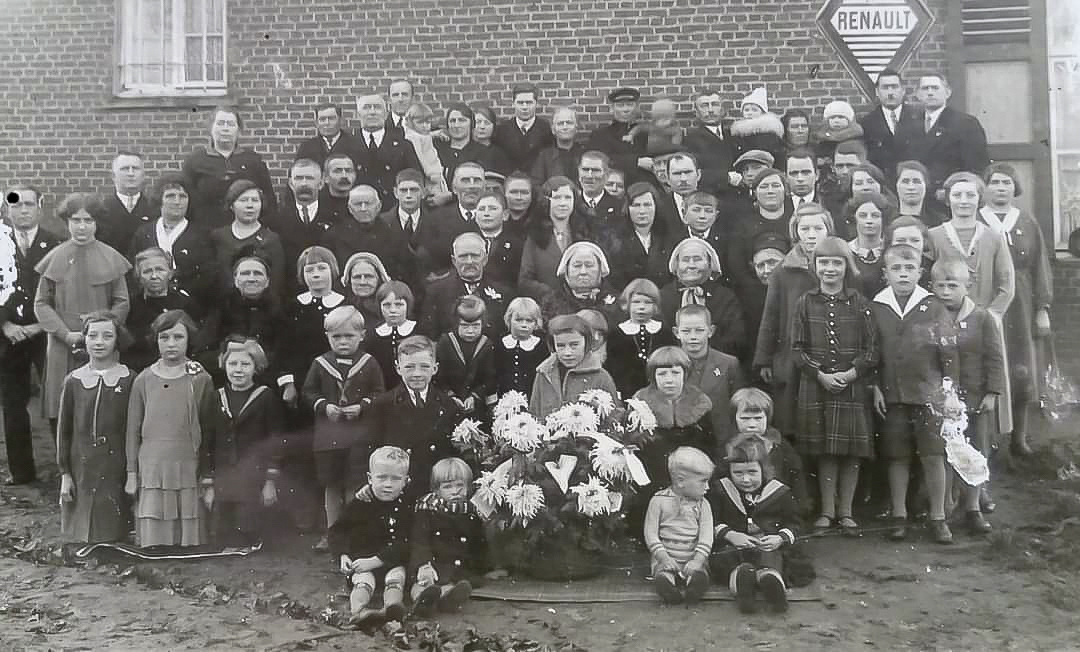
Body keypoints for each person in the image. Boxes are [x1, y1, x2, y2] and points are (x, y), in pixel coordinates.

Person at [870, 244, 958, 543]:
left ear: (920, 273)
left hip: (928, 396)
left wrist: (948, 390)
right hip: (892, 395)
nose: (903, 274)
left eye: (909, 268)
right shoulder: (878, 306)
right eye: (896, 269)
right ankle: (899, 515)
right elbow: (871, 351)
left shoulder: (933, 306)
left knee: (933, 455)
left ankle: (938, 517)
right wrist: (875, 386)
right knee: (897, 456)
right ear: (886, 274)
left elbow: (948, 351)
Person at [792, 237, 878, 537]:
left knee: (851, 451)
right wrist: (820, 375)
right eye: (824, 262)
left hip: (852, 386)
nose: (830, 268)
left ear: (847, 266)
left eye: (836, 263)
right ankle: (827, 511)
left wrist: (853, 373)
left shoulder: (860, 303)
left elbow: (872, 348)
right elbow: (796, 349)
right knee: (825, 451)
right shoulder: (805, 302)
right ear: (815, 266)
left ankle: (847, 512)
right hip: (817, 386)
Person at [928, 172, 1016, 446]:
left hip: (983, 324)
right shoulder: (934, 235)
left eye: (970, 195)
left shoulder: (993, 237)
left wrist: (990, 316)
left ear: (980, 199)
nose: (963, 201)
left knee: (983, 387)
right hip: (943, 324)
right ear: (948, 199)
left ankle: (987, 454)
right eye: (957, 195)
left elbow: (1007, 284)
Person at [125, 310, 220, 547]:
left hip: (187, 458)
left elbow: (208, 428)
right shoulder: (143, 379)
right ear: (155, 340)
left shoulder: (200, 378)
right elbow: (132, 429)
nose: (171, 344)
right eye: (164, 337)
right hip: (153, 461)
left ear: (189, 339)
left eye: (178, 337)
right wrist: (131, 473)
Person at [35, 193, 132, 426]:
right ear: (66, 222)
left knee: (102, 404)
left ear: (97, 223)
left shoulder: (111, 257)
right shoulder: (55, 257)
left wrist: (102, 332)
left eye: (88, 220)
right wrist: (65, 334)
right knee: (61, 406)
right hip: (63, 342)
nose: (81, 226)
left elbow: (122, 301)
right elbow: (41, 303)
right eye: (75, 220)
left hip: (102, 342)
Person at [979, 163, 1052, 457]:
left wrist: (1042, 307)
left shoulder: (1026, 221)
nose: (1000, 188)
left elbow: (1039, 265)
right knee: (986, 367)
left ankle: (1018, 439)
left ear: (1014, 188)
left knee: (1020, 369)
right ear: (985, 187)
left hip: (1021, 303)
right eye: (995, 182)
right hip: (985, 296)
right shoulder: (976, 219)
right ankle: (989, 440)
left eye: (1006, 183)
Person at [303, 306, 385, 550]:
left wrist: (363, 406)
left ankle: (353, 532)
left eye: (349, 336)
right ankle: (332, 533)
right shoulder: (320, 364)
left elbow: (379, 392)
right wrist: (323, 405)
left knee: (354, 484)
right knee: (331, 485)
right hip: (328, 437)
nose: (343, 341)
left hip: (359, 436)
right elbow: (308, 392)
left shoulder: (369, 363)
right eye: (336, 336)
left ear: (362, 335)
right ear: (327, 336)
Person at [931, 258, 1000, 534]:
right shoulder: (930, 317)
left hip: (975, 398)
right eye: (940, 286)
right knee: (946, 450)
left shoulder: (982, 318)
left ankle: (973, 507)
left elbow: (994, 357)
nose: (946, 292)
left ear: (966, 286)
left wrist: (992, 392)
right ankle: (947, 506)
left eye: (952, 285)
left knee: (976, 451)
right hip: (943, 402)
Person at [753, 204, 832, 437]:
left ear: (828, 230)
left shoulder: (839, 263)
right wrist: (764, 358)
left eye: (818, 228)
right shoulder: (784, 271)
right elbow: (771, 315)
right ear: (795, 231)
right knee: (795, 419)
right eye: (804, 229)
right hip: (793, 352)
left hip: (831, 353)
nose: (811, 234)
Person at [1, 185, 62, 484]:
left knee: (55, 400)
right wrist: (5, 325)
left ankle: (66, 468)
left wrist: (42, 325)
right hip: (8, 334)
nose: (22, 210)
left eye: (28, 204)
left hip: (46, 332)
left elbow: (62, 291)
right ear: (6, 209)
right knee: (13, 403)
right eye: (15, 205)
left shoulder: (56, 244)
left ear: (40, 206)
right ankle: (21, 471)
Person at [57, 312, 134, 542]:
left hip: (115, 464)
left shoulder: (129, 379)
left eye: (107, 336)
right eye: (93, 336)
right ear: (85, 339)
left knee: (113, 524)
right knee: (82, 526)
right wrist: (65, 474)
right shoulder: (73, 381)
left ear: (117, 340)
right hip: (81, 465)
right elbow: (64, 431)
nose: (99, 342)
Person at [711, 436, 800, 614]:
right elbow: (712, 520)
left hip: (768, 546)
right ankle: (742, 584)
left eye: (752, 472)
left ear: (764, 470)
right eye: (738, 473)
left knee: (774, 558)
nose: (745, 479)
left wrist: (780, 538)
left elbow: (795, 522)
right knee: (725, 557)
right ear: (729, 471)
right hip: (734, 545)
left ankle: (771, 580)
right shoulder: (721, 490)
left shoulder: (780, 492)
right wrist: (730, 534)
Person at [365, 335, 459, 497]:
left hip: (435, 488)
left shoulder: (448, 405)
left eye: (424, 366)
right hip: (397, 488)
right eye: (409, 367)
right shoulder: (382, 405)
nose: (417, 373)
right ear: (398, 368)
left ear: (435, 368)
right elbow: (368, 448)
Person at [329, 445, 412, 625]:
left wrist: (378, 560)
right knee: (363, 581)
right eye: (381, 477)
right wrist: (343, 555)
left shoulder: (406, 507)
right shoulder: (360, 504)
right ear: (369, 478)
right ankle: (358, 611)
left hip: (391, 560)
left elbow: (406, 542)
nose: (388, 484)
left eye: (395, 479)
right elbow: (338, 530)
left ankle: (392, 608)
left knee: (397, 577)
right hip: (362, 561)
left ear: (405, 481)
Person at [211, 338, 282, 546]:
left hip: (253, 473)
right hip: (225, 472)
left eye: (245, 364)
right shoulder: (217, 397)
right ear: (224, 365)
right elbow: (209, 439)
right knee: (222, 533)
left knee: (248, 530)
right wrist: (207, 483)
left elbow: (275, 440)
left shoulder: (266, 397)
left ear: (255, 367)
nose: (238, 370)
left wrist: (270, 481)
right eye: (233, 364)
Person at [633, 346, 715, 502]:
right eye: (662, 374)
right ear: (653, 376)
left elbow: (709, 446)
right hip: (654, 477)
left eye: (675, 373)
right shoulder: (641, 404)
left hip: (692, 479)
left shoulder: (699, 402)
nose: (669, 380)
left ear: (685, 374)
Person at [409, 457, 486, 616]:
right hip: (432, 562)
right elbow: (420, 541)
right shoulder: (427, 510)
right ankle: (421, 601)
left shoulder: (471, 511)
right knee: (424, 583)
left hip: (456, 565)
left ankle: (446, 600)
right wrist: (424, 564)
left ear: (467, 486)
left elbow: (478, 542)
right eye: (448, 486)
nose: (455, 491)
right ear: (437, 490)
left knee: (453, 584)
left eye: (460, 485)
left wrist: (488, 566)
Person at [128, 172, 218, 305]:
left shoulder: (201, 235)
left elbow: (208, 275)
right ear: (160, 199)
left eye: (183, 196)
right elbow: (133, 270)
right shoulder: (143, 233)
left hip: (188, 304)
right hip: (147, 303)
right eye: (170, 196)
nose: (177, 202)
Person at [182, 105, 276, 228]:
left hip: (246, 230)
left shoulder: (253, 160)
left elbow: (269, 200)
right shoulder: (195, 161)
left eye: (230, 124)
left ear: (239, 130)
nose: (225, 128)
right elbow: (186, 201)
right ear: (211, 128)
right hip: (207, 230)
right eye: (220, 123)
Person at [644, 446, 714, 605]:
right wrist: (664, 558)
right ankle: (668, 588)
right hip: (666, 558)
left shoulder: (703, 505)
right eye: (703, 481)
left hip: (693, 558)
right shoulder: (658, 501)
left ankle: (694, 587)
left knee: (699, 573)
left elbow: (706, 536)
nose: (708, 487)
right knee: (663, 573)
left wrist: (697, 560)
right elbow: (650, 534)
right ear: (681, 481)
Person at [277, 246, 343, 413]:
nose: (316, 274)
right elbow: (284, 349)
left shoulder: (345, 305)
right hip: (301, 381)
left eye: (322, 268)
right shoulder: (293, 307)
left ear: (332, 270)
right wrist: (288, 384)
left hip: (336, 381)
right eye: (309, 270)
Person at [910, 74, 990, 210]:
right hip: (917, 199)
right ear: (918, 94)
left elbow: (977, 166)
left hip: (950, 199)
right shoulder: (909, 124)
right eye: (925, 88)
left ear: (947, 93)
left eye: (935, 88)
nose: (930, 92)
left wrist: (951, 191)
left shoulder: (966, 123)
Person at [659, 237, 746, 359]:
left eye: (697, 259)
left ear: (710, 264)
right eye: (685, 260)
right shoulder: (663, 296)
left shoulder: (725, 297)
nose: (691, 265)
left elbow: (735, 339)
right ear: (676, 264)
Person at [675, 304, 748, 447]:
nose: (693, 337)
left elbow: (738, 405)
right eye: (686, 331)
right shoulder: (669, 363)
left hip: (721, 441)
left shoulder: (728, 363)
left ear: (710, 331)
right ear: (676, 332)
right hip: (682, 441)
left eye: (699, 330)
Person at [725, 389, 808, 510]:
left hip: (777, 507)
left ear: (767, 418)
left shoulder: (780, 446)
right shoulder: (728, 446)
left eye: (758, 418)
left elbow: (796, 478)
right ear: (735, 418)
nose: (752, 424)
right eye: (745, 418)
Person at [125, 247, 204, 372]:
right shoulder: (130, 307)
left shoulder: (186, 304)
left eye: (160, 270)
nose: (154, 276)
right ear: (138, 276)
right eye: (147, 271)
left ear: (170, 273)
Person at [268, 159, 341, 295]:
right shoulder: (276, 220)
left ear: (321, 183)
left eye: (310, 178)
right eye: (298, 178)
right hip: (289, 293)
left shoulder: (337, 217)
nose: (304, 183)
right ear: (291, 184)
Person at [420, 232, 513, 338]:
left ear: (485, 259)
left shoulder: (504, 292)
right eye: (463, 256)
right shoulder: (436, 292)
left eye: (475, 256)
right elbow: (429, 335)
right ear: (454, 261)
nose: (469, 261)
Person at [322, 184, 413, 286]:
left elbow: (404, 274)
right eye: (358, 204)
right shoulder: (334, 236)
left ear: (378, 206)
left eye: (368, 203)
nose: (363, 208)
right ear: (350, 208)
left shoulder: (395, 235)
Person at [529, 314, 618, 419]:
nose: (567, 352)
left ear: (587, 343)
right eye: (560, 346)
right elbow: (534, 415)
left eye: (574, 345)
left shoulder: (601, 377)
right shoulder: (544, 374)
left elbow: (614, 418)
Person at [727, 168, 793, 305]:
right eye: (764, 187)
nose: (770, 191)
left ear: (785, 191)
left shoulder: (795, 222)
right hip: (753, 296)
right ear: (755, 192)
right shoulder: (743, 225)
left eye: (775, 185)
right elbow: (737, 267)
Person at [211, 180, 286, 299]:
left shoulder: (271, 239)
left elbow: (276, 282)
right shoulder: (218, 237)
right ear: (231, 205)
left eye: (255, 200)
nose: (250, 205)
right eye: (243, 200)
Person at [518, 176, 590, 301]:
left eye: (567, 198)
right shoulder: (535, 236)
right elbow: (524, 281)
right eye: (557, 198)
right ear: (545, 201)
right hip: (548, 304)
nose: (563, 203)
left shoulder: (585, 233)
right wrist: (552, 294)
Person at [607, 278, 672, 399]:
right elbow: (612, 367)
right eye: (636, 302)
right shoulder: (617, 334)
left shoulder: (664, 333)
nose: (641, 307)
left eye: (648, 302)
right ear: (627, 304)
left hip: (659, 391)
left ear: (655, 306)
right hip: (626, 390)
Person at [603, 181, 674, 290]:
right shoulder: (615, 240)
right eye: (636, 205)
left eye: (647, 205)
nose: (642, 211)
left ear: (656, 206)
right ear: (627, 208)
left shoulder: (668, 237)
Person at [354, 93, 421, 205]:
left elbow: (414, 178)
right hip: (360, 206)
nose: (372, 112)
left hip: (393, 207)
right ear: (358, 114)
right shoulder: (348, 144)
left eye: (377, 107)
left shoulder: (403, 145)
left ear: (385, 114)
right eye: (367, 108)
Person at [435, 296, 496, 417]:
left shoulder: (486, 345)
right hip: (448, 401)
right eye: (465, 326)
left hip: (476, 404)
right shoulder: (446, 342)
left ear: (483, 324)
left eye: (476, 326)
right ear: (456, 324)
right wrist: (451, 396)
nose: (470, 331)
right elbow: (439, 376)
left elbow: (489, 378)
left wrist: (474, 397)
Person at [424, 162, 487, 279]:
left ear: (484, 187)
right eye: (465, 180)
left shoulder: (496, 218)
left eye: (477, 180)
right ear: (454, 188)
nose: (471, 186)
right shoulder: (435, 220)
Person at [860, 69, 922, 186]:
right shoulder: (867, 123)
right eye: (885, 88)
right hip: (882, 184)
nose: (890, 92)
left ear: (903, 90)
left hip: (912, 183)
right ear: (877, 92)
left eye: (894, 87)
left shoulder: (919, 118)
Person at [218, 255, 285, 361]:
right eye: (245, 274)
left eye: (258, 273)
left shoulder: (281, 309)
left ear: (267, 281)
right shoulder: (222, 307)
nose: (251, 279)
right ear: (235, 280)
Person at [540, 241, 620, 325]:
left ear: (600, 270)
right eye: (577, 266)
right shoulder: (551, 303)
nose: (583, 272)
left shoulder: (615, 304)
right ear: (566, 271)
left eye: (589, 265)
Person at [381, 168, 439, 282]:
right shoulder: (382, 222)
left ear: (423, 192)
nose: (408, 195)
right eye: (403, 190)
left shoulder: (437, 221)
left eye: (414, 190)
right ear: (395, 193)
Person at [683, 89, 739, 198]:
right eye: (704, 106)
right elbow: (692, 173)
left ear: (722, 110)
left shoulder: (733, 135)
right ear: (697, 112)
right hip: (710, 197)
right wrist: (725, 177)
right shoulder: (690, 140)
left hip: (738, 197)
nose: (710, 110)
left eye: (715, 104)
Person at [98, 152, 157, 254]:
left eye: (135, 168)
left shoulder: (155, 209)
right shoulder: (101, 210)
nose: (131, 173)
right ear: (113, 175)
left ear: (143, 175)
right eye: (125, 169)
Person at [493, 296, 548, 397]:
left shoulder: (540, 346)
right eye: (518, 320)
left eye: (529, 321)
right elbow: (492, 373)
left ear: (536, 323)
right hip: (502, 397)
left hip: (532, 397)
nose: (524, 325)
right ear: (509, 319)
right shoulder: (500, 343)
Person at [492, 83, 553, 173]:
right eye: (520, 103)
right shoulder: (502, 130)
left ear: (536, 103)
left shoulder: (546, 129)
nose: (525, 107)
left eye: (529, 103)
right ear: (513, 103)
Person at [368, 280, 416, 390]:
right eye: (387, 305)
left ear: (408, 305)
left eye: (399, 305)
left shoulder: (418, 331)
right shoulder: (374, 336)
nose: (393, 310)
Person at [845, 192, 895, 298]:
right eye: (863, 216)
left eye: (875, 216)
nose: (869, 221)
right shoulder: (845, 251)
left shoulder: (892, 251)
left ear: (883, 218)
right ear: (854, 218)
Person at [402, 103, 453, 203]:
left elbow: (426, 136)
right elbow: (420, 157)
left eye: (428, 122)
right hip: (430, 174)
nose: (425, 126)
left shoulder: (421, 135)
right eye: (420, 123)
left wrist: (435, 134)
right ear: (411, 122)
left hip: (436, 170)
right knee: (435, 197)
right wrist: (430, 172)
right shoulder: (413, 138)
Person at [473, 190, 523, 289]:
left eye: (492, 209)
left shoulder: (518, 245)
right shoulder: (466, 242)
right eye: (481, 209)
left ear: (505, 215)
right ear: (475, 216)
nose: (486, 214)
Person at [295, 103, 363, 170]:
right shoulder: (306, 147)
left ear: (341, 121)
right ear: (317, 123)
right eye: (322, 119)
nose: (327, 123)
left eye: (331, 118)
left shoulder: (356, 145)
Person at [531, 106, 585, 187]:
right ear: (553, 129)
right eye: (560, 123)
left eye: (569, 123)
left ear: (576, 128)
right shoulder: (544, 157)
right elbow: (536, 186)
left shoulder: (585, 155)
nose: (565, 127)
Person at [577, 150, 626, 239]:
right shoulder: (571, 205)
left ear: (606, 175)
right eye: (585, 170)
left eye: (596, 170)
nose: (589, 176)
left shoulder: (619, 207)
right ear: (579, 172)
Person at [730, 87, 785, 166]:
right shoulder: (738, 133)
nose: (750, 113)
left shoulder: (768, 133)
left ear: (762, 112)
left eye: (754, 110)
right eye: (746, 110)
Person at [435, 103, 484, 185]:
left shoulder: (482, 152)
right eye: (452, 121)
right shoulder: (437, 150)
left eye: (462, 120)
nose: (456, 125)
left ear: (471, 123)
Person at [341, 251, 392, 327]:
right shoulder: (340, 310)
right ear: (349, 281)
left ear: (379, 279)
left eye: (368, 276)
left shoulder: (392, 309)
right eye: (357, 277)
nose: (363, 282)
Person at [813, 101, 864, 175]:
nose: (836, 121)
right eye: (832, 118)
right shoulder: (824, 138)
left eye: (841, 117)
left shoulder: (855, 137)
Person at [894, 160, 946, 227]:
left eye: (916, 182)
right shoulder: (885, 221)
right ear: (897, 185)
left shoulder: (940, 223)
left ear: (925, 185)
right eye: (905, 181)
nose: (911, 187)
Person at [470, 102, 514, 177]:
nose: (482, 127)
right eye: (478, 122)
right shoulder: (466, 149)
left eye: (487, 123)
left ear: (493, 127)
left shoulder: (499, 154)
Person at [320, 154, 359, 221]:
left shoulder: (363, 204)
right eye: (337, 171)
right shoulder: (316, 206)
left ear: (355, 175)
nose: (344, 176)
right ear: (325, 177)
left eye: (348, 171)